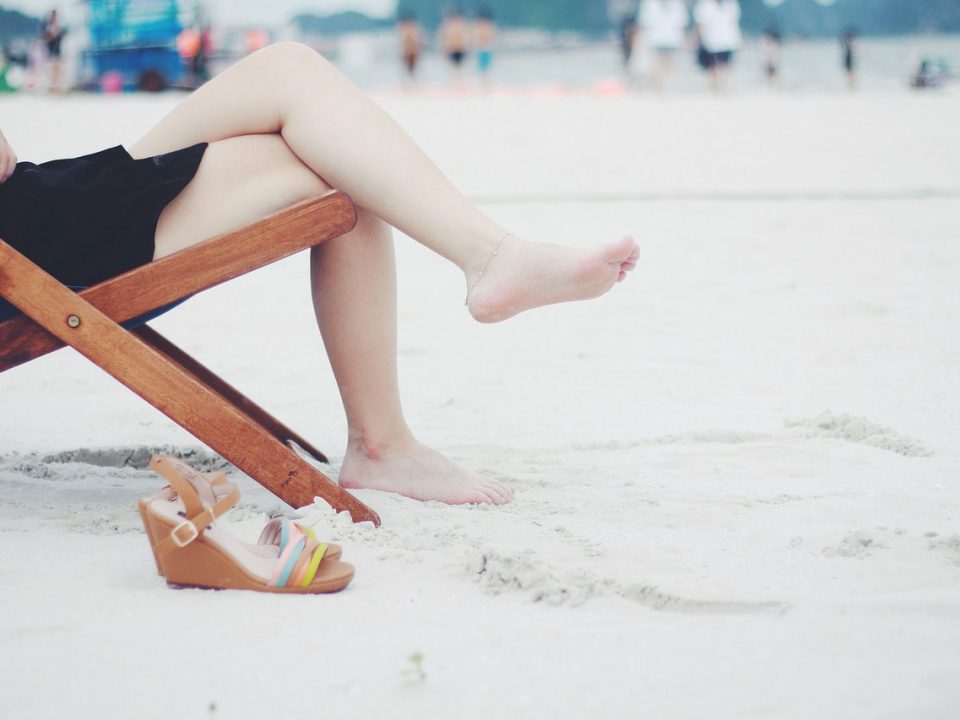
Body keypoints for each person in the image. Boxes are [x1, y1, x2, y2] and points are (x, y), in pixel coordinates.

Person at [0, 43, 640, 507]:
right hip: (30, 246)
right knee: (340, 170)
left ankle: (489, 264)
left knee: (294, 77)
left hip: (40, 209)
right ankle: (390, 433)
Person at [638, 0, 689, 91]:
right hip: (656, 41)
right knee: (656, 71)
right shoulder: (650, 3)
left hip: (672, 41)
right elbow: (644, 25)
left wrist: (684, 42)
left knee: (672, 70)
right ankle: (658, 93)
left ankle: (675, 92)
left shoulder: (677, 4)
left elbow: (681, 25)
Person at [693, 0, 741, 92]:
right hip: (716, 41)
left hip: (720, 41)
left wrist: (697, 40)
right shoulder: (729, 3)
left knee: (718, 67)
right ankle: (719, 89)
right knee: (719, 67)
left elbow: (700, 25)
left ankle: (720, 88)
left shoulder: (706, 4)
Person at [440, 9, 469, 83]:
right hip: (452, 49)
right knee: (453, 67)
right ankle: (454, 82)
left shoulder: (461, 26)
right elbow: (445, 38)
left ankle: (459, 82)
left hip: (460, 48)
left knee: (459, 68)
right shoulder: (448, 26)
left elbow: (465, 38)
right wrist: (445, 48)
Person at [41, 9, 66, 93]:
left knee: (57, 68)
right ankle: (52, 87)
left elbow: (62, 36)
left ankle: (56, 87)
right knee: (51, 68)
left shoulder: (59, 26)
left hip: (57, 50)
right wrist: (50, 35)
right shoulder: (47, 25)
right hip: (50, 49)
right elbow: (44, 36)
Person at [397, 12, 423, 80]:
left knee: (411, 68)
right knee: (409, 69)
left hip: (411, 51)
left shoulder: (409, 29)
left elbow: (416, 41)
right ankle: (410, 80)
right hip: (409, 51)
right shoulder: (410, 29)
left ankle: (411, 80)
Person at [474, 8, 496, 82]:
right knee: (483, 68)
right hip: (482, 49)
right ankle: (484, 81)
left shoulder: (488, 27)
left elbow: (489, 38)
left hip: (486, 49)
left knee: (485, 68)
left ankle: (486, 81)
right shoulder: (484, 27)